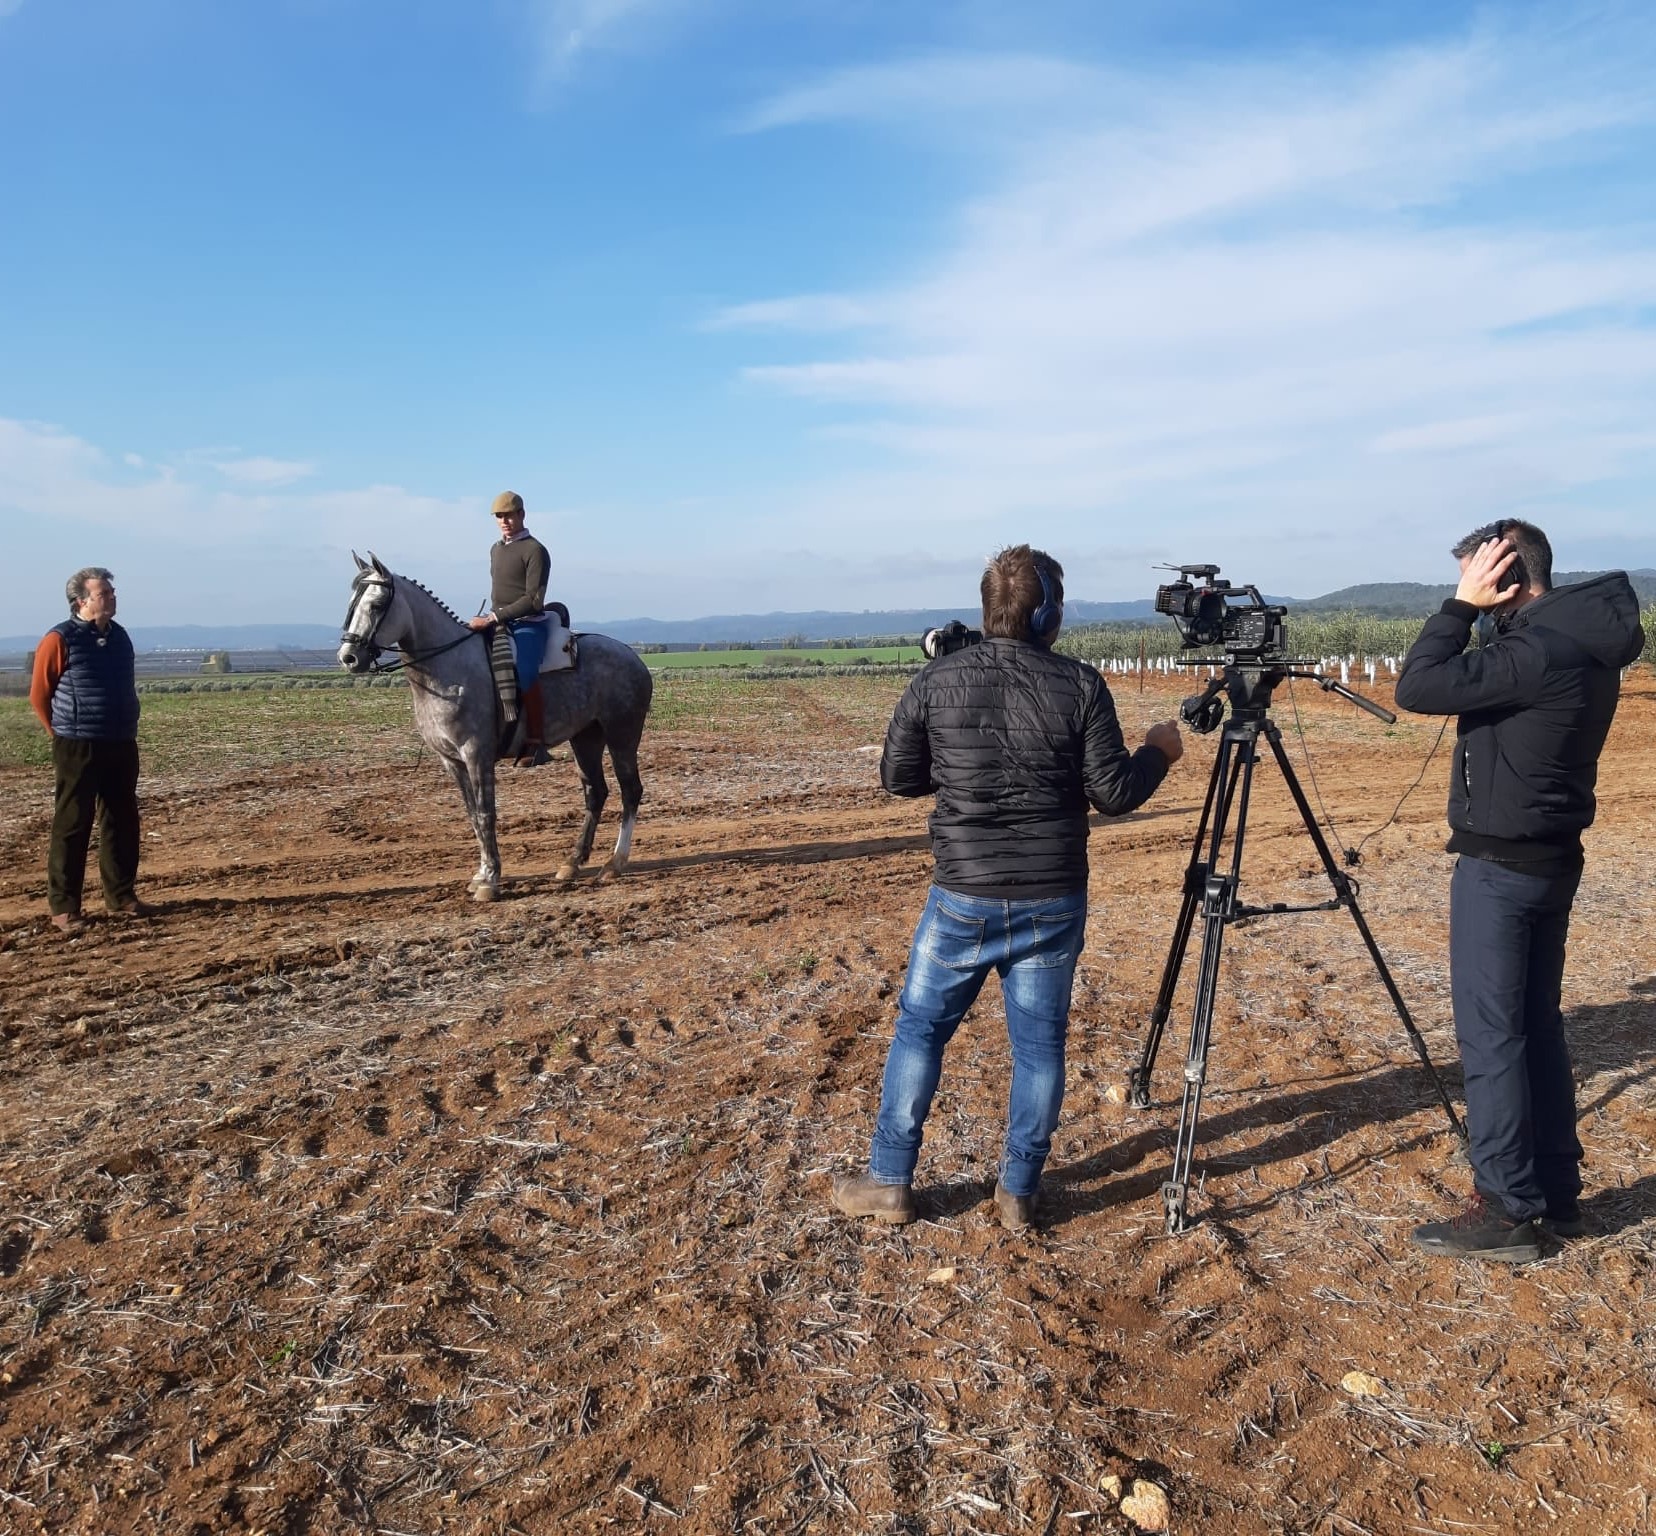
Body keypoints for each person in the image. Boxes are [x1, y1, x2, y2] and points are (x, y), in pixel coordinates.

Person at [832, 545, 1183, 1230]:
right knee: (1040, 1047)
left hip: (961, 895)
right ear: (1047, 613)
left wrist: (964, 764)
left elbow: (899, 779)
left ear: (987, 607)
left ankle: (889, 1180)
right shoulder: (1082, 686)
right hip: (1052, 899)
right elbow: (1113, 793)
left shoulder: (935, 683)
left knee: (921, 1030)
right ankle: (1018, 1192)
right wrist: (1158, 753)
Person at [1395, 520, 1644, 1263]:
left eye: (1479, 574)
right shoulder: (1576, 642)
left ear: (1504, 575)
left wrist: (1458, 608)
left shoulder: (1532, 651)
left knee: (1493, 1038)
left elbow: (1417, 685)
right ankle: (1557, 1196)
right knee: (1534, 1026)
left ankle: (1506, 1208)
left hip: (1501, 871)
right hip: (1549, 858)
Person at [30, 567, 152, 934]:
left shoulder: (120, 637)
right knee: (73, 823)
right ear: (82, 601)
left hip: (119, 741)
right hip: (77, 744)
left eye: (112, 592)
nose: (112, 598)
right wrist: (61, 733)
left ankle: (121, 895)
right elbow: (39, 695)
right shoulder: (59, 639)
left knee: (122, 819)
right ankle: (65, 907)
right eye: (104, 594)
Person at [468, 490, 553, 766]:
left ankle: (537, 741)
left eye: (509, 515)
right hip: (499, 620)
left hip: (529, 624)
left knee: (527, 670)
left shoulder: (535, 550)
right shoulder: (496, 549)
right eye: (499, 516)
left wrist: (494, 618)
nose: (504, 521)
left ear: (522, 515)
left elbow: (533, 600)